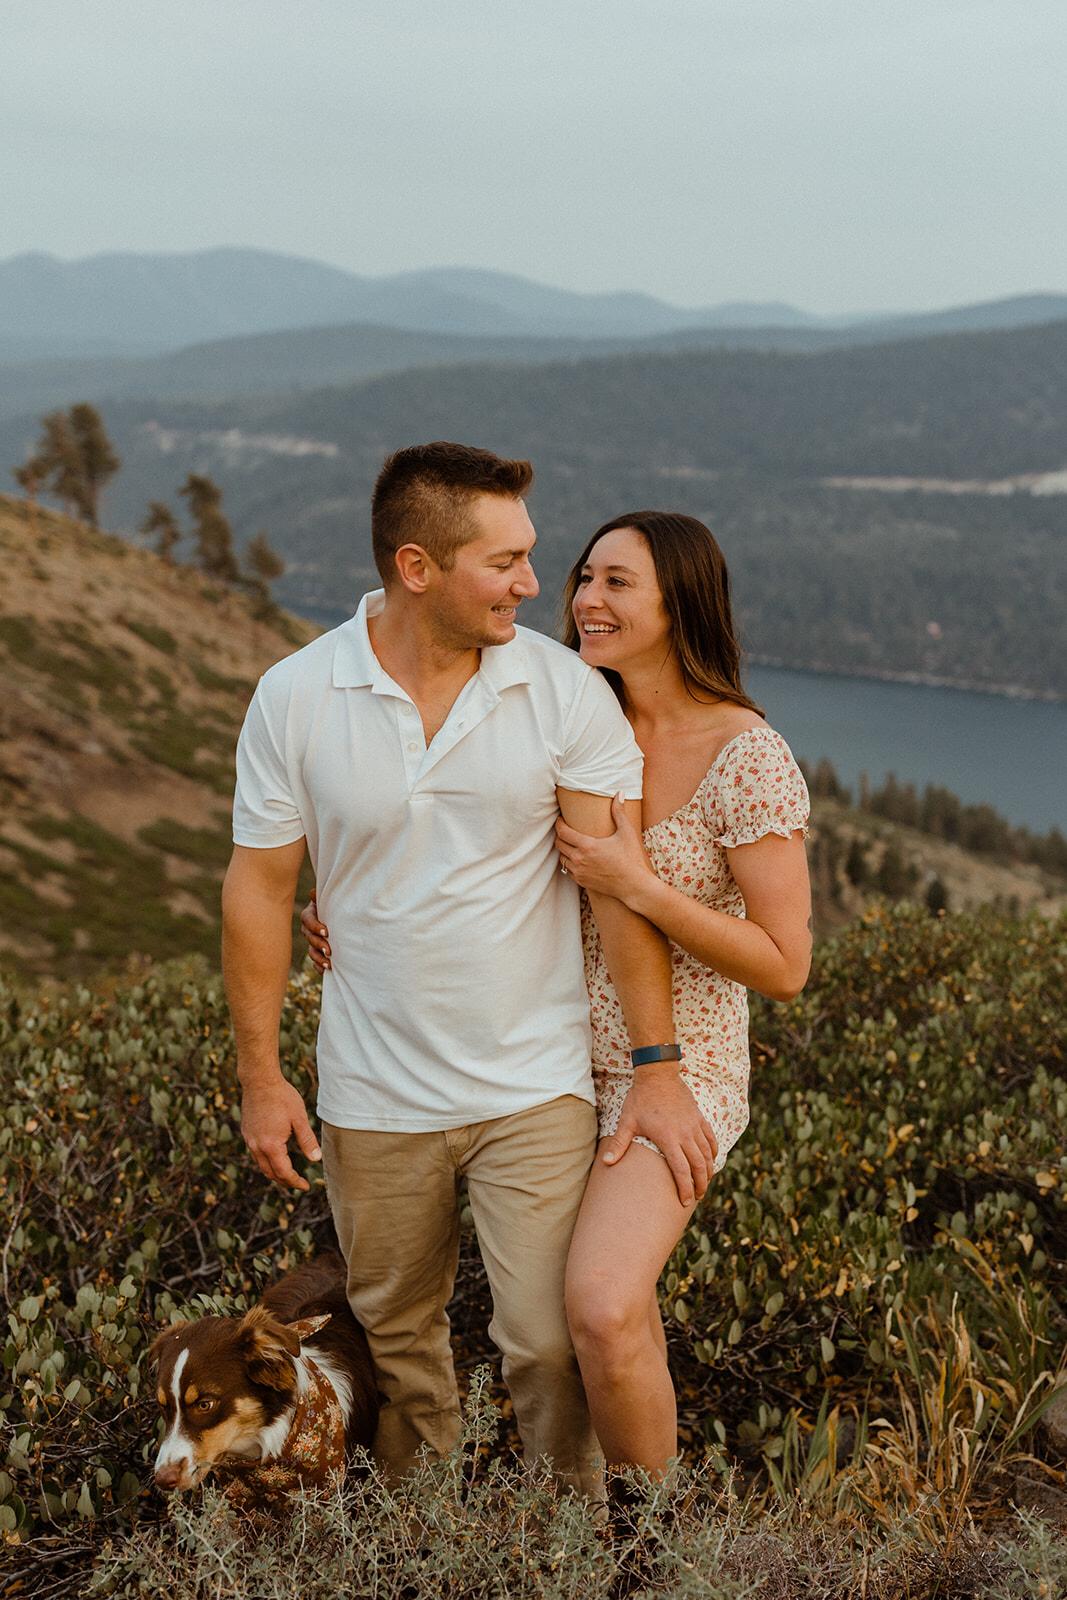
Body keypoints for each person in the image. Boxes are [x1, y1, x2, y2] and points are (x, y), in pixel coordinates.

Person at [223, 443, 715, 1499]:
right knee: (400, 1346)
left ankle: (568, 1547)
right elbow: (259, 891)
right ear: (417, 567)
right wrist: (263, 1076)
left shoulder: (562, 692)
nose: (536, 585)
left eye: (531, 556)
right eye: (505, 562)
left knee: (546, 1343)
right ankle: (424, 1546)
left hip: (532, 1084)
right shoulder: (296, 694)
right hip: (372, 1093)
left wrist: (658, 1064)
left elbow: (614, 890)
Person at [303, 509, 812, 1477]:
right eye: (583, 577)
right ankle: (616, 1520)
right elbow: (436, 829)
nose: (584, 599)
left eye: (617, 582)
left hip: (676, 1068)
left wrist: (641, 888)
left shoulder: (743, 752)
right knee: (592, 1320)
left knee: (601, 1305)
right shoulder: (556, 710)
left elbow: (783, 964)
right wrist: (336, 902)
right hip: (538, 1060)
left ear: (681, 602)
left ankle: (647, 1540)